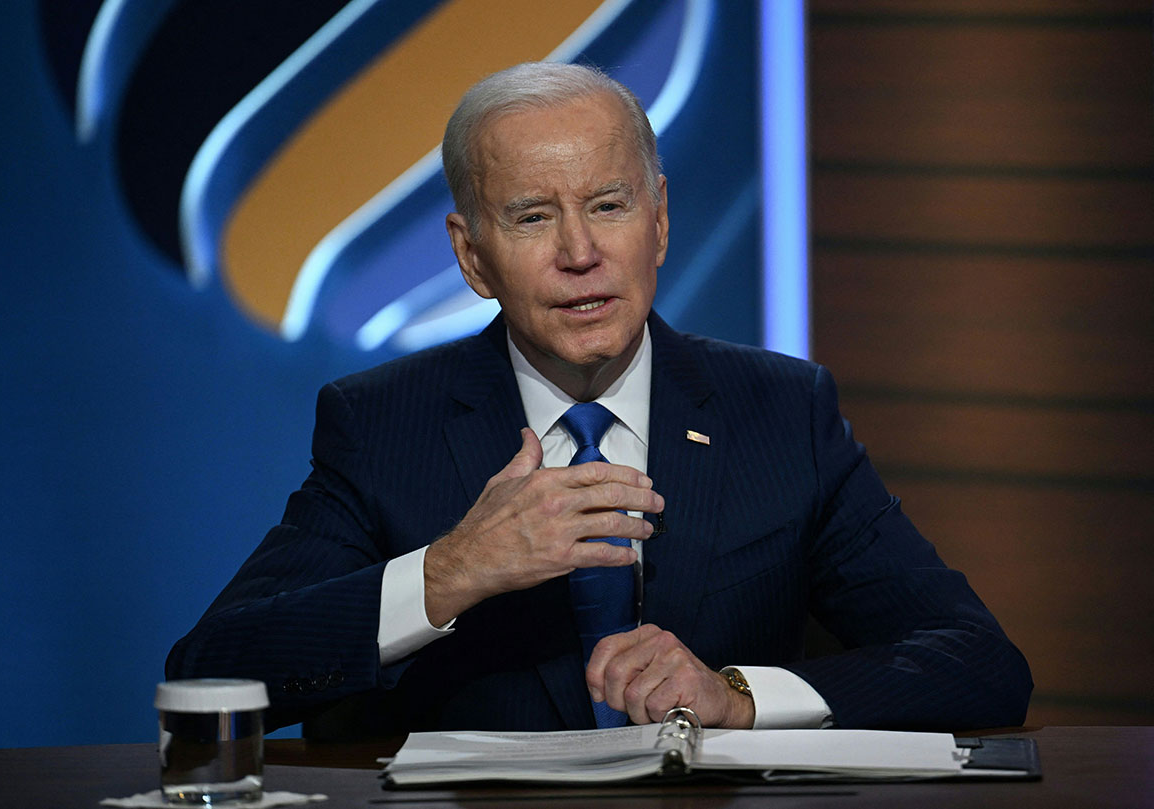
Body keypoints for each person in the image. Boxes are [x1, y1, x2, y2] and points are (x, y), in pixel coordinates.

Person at [166, 62, 1031, 735]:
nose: (580, 252)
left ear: (658, 221)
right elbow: (206, 678)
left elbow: (978, 660)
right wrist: (449, 570)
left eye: (608, 205)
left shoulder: (780, 409)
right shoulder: (384, 423)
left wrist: (735, 695)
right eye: (533, 217)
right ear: (471, 257)